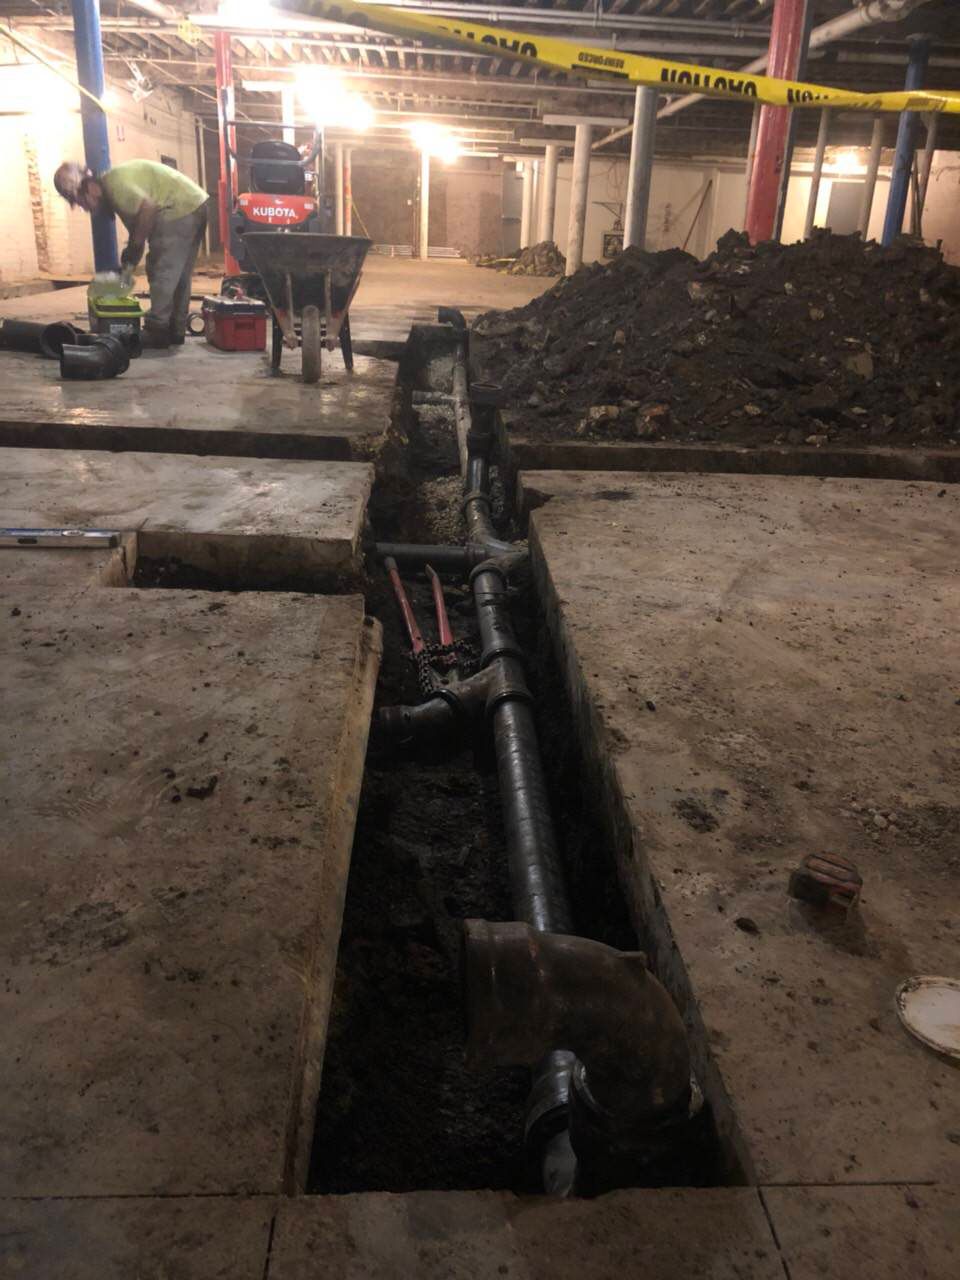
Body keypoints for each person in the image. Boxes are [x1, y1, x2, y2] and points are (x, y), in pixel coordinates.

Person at [54, 159, 208, 349]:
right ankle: (175, 329)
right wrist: (132, 253)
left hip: (177, 208)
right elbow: (142, 222)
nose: (85, 208)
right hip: (194, 204)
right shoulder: (115, 186)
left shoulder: (114, 186)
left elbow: (148, 208)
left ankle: (157, 329)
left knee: (162, 268)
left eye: (81, 201)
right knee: (180, 274)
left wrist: (135, 246)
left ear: (90, 187)